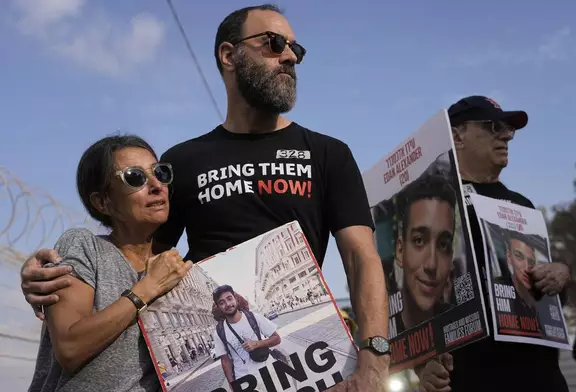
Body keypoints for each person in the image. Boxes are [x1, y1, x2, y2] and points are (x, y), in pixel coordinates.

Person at [19, 5, 390, 390]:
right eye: (274, 43)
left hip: (308, 371)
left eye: (296, 48)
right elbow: (138, 257)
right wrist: (51, 277)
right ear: (229, 55)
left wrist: (375, 359)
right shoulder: (182, 161)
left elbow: (361, 257)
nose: (290, 56)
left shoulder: (327, 153)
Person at [418, 96, 572, 392]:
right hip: (471, 377)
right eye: (493, 126)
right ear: (457, 135)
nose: (506, 136)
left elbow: (547, 296)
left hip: (541, 376)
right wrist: (420, 366)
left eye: (509, 129)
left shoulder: (522, 205)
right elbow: (409, 298)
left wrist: (560, 275)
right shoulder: (428, 203)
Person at [27, 135, 192, 392]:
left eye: (160, 173)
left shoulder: (174, 270)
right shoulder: (85, 246)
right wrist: (146, 289)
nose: (157, 186)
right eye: (135, 177)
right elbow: (70, 348)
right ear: (102, 202)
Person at [390, 174, 456, 337]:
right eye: (419, 240)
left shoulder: (461, 330)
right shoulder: (377, 333)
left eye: (443, 245)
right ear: (400, 251)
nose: (431, 264)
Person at [212, 285, 281, 384]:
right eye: (222, 303)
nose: (227, 304)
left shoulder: (254, 317)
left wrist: (256, 344)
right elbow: (225, 361)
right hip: (245, 381)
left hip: (269, 372)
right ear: (218, 307)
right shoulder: (219, 332)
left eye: (229, 298)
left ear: (235, 299)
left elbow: (277, 338)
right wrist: (232, 385)